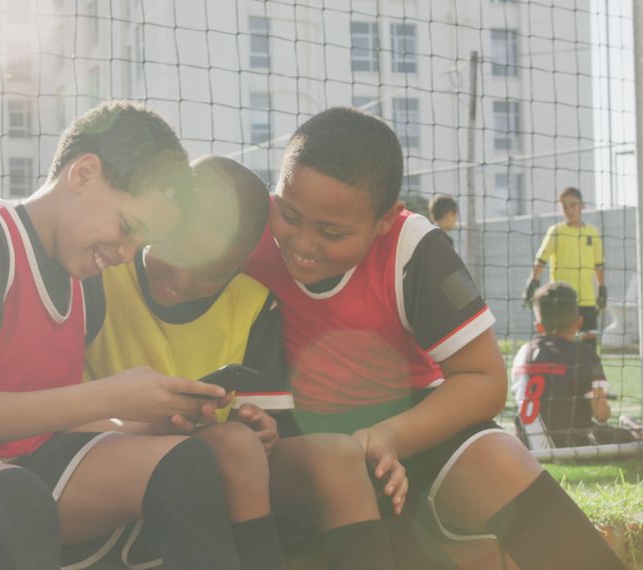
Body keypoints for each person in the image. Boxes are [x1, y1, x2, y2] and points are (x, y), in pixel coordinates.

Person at [0, 101, 265, 570]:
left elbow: (47, 417)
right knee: (16, 499)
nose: (125, 254)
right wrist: (111, 397)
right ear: (83, 174)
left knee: (182, 462)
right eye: (127, 228)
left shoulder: (85, 285)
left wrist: (153, 417)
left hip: (18, 459)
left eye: (138, 245)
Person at [245, 107, 623, 570]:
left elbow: (483, 379)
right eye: (290, 214)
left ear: (385, 219)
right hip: (296, 447)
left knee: (498, 457)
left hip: (406, 429)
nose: (302, 243)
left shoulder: (413, 249)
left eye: (330, 232)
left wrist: (386, 436)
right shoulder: (248, 231)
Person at [82, 155, 399, 570]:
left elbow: (273, 428)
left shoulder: (252, 304)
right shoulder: (101, 272)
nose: (181, 281)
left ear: (239, 266)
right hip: (103, 452)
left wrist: (264, 430)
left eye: (209, 275)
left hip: (218, 464)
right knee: (232, 444)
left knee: (337, 456)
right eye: (174, 254)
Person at [514, 282, 639, 450]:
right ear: (579, 322)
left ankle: (629, 425)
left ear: (538, 326)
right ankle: (633, 428)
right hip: (573, 443)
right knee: (636, 436)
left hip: (525, 445)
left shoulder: (523, 352)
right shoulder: (584, 354)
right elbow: (601, 415)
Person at [524, 187, 607, 347]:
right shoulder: (556, 231)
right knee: (559, 345)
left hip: (587, 300)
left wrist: (602, 288)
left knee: (589, 346)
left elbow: (598, 265)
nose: (569, 210)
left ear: (582, 206)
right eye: (564, 206)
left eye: (572, 205)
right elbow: (541, 260)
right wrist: (532, 282)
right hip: (561, 300)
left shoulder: (593, 233)